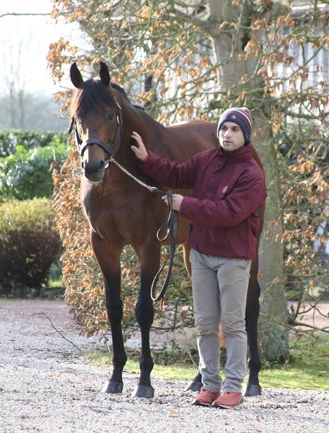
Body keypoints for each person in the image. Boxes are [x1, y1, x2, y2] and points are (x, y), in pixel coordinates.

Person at [130, 107, 266, 409]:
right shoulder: (206, 160)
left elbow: (229, 213)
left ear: (245, 136)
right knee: (205, 324)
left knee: (233, 325)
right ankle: (210, 384)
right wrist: (146, 158)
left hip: (233, 258)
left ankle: (233, 387)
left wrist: (185, 205)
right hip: (202, 255)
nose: (227, 134)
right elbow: (176, 173)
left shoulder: (252, 175)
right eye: (224, 129)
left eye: (234, 130)